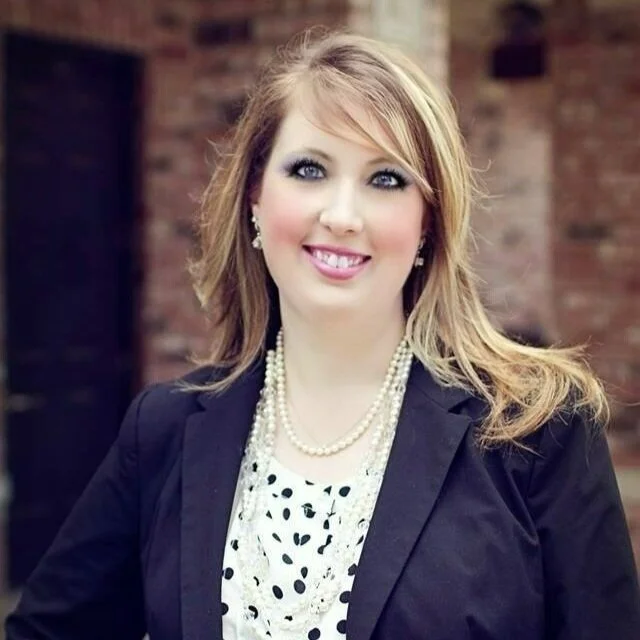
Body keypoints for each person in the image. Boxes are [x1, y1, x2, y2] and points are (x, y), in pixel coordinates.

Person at [6, 29, 640, 640]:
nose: (341, 216)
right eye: (309, 169)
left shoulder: (537, 428)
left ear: (427, 222)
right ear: (255, 197)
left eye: (386, 179)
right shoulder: (165, 430)